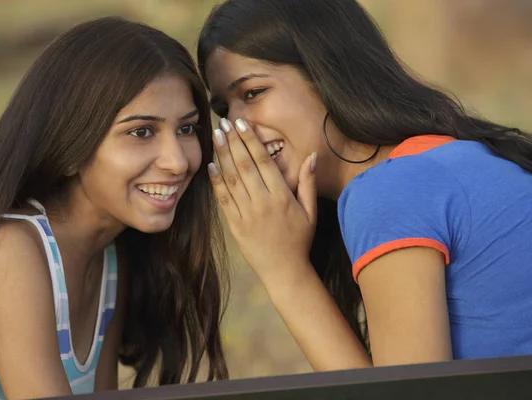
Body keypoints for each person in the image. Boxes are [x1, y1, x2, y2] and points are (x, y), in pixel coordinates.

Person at [197, 0, 532, 371]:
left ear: (327, 73)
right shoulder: (452, 157)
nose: (236, 127)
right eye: (224, 111)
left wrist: (282, 270)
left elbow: (409, 398)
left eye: (252, 93)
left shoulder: (389, 191)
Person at [0, 17, 229, 400]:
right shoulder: (13, 250)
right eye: (141, 132)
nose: (178, 161)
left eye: (187, 129)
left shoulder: (110, 253)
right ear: (72, 146)